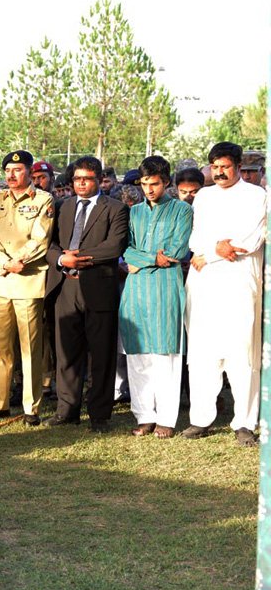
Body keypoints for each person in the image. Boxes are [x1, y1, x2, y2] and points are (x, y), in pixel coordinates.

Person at [182, 142, 267, 446]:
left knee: (242, 353)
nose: (218, 173)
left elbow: (251, 240)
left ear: (239, 166)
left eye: (224, 167)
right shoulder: (203, 196)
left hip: (239, 282)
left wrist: (214, 252)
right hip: (204, 283)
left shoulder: (257, 196)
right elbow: (195, 238)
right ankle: (200, 419)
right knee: (203, 353)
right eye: (214, 167)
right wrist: (213, 248)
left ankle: (244, 423)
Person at [44, 155, 129, 432]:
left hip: (99, 287)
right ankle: (66, 410)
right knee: (66, 353)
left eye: (88, 179)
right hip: (66, 286)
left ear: (99, 180)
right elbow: (50, 244)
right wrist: (61, 260)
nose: (82, 183)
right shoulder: (62, 206)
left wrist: (78, 257)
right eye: (78, 179)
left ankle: (99, 414)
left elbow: (114, 246)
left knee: (101, 355)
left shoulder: (115, 208)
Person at [118, 156, 192, 438]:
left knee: (165, 355)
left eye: (155, 184)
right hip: (136, 291)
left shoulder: (182, 211)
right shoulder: (134, 212)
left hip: (165, 288)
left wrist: (142, 260)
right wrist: (151, 258)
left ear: (167, 183)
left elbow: (175, 250)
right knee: (138, 355)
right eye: (145, 184)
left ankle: (166, 418)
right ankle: (144, 415)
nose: (149, 189)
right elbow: (127, 250)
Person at [0, 151, 54, 425]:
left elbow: (41, 239)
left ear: (29, 171)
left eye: (18, 170)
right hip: (1, 279)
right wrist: (5, 262)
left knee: (30, 348)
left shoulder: (43, 200)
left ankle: (30, 407)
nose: (11, 175)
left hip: (27, 280)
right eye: (8, 170)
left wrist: (16, 261)